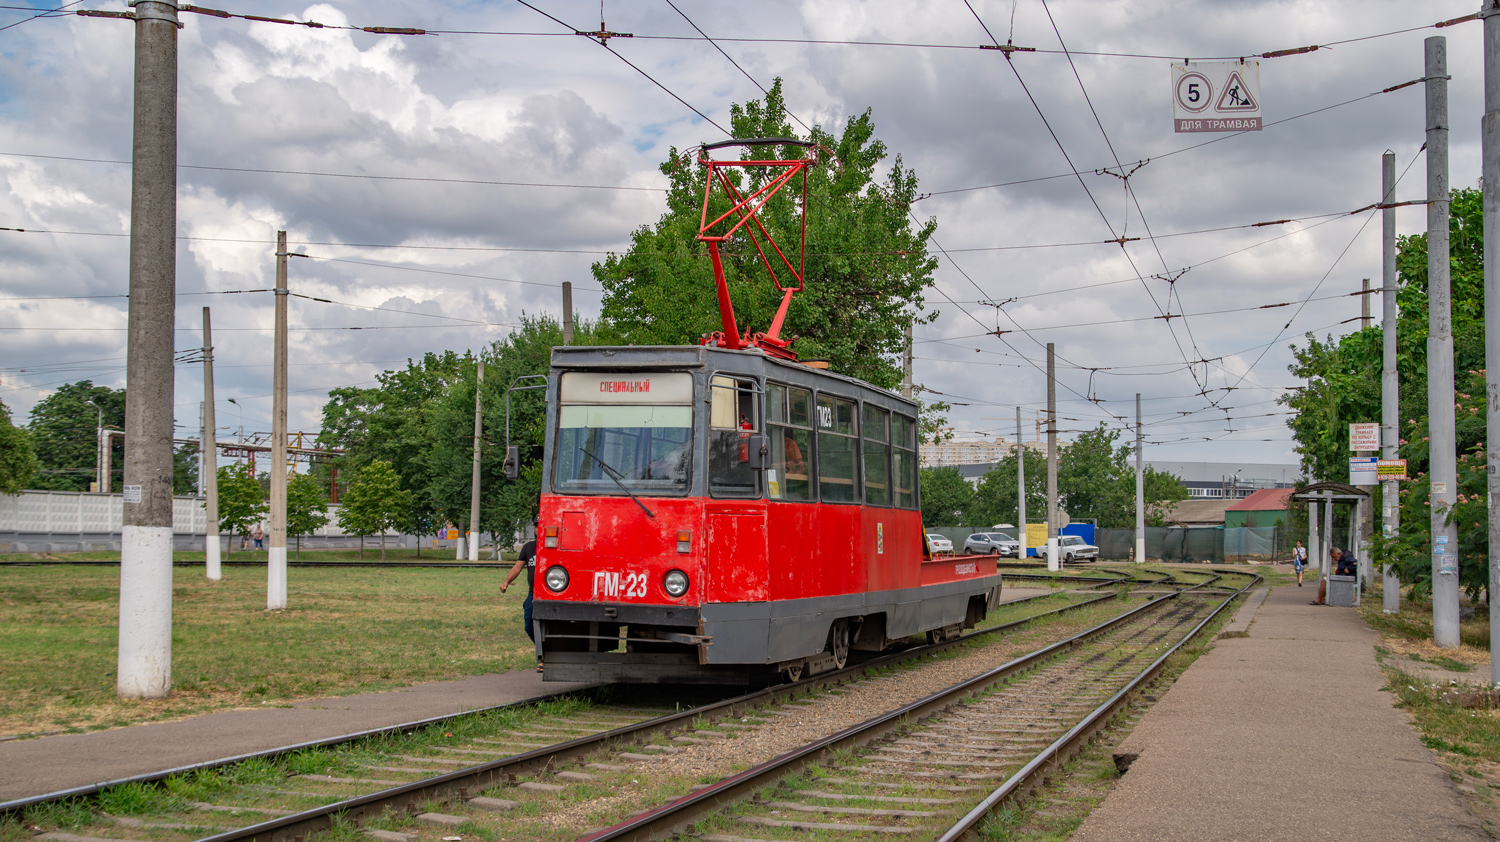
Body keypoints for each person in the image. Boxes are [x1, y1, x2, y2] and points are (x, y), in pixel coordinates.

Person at [501, 526, 541, 672]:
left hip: (552, 595)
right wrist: (506, 582)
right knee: (529, 626)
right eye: (536, 525)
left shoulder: (558, 544)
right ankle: (545, 653)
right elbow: (517, 567)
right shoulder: (529, 547)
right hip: (533, 594)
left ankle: (544, 658)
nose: (539, 527)